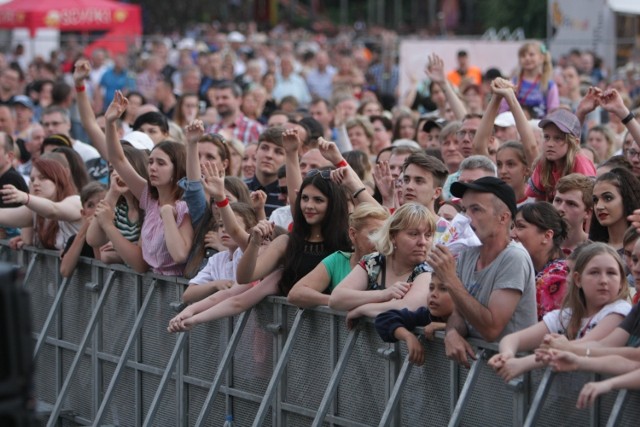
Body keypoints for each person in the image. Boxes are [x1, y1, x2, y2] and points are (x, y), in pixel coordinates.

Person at [167, 169, 351, 332]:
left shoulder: (348, 242)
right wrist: (192, 317)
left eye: (318, 200)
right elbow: (243, 283)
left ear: (334, 203)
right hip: (297, 341)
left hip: (342, 336)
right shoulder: (287, 243)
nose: (309, 206)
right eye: (304, 198)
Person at [428, 177, 537, 367]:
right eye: (464, 210)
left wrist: (450, 280)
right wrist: (452, 333)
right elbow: (458, 314)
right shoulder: (469, 251)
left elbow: (491, 329)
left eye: (476, 209)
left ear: (503, 218)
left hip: (512, 381)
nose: (466, 218)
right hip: (480, 377)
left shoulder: (514, 258)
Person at [488, 242, 631, 382]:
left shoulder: (620, 310)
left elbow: (580, 346)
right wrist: (507, 355)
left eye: (611, 273)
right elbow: (514, 339)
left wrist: (523, 364)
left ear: (621, 282)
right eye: (594, 272)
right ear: (578, 279)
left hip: (602, 402)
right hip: (566, 402)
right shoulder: (567, 315)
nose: (604, 280)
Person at [105, 91, 193, 276]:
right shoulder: (150, 198)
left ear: (177, 170)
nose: (152, 167)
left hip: (175, 294)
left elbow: (179, 255)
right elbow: (118, 159)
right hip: (151, 289)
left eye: (161, 163)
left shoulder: (185, 206)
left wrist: (168, 215)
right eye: (150, 162)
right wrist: (110, 122)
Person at [329, 203, 436, 326]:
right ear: (393, 236)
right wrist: (383, 294)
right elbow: (336, 298)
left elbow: (408, 307)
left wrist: (362, 309)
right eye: (413, 234)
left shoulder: (428, 269)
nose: (422, 242)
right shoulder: (374, 262)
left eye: (428, 235)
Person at [287, 203, 389, 308]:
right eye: (374, 234)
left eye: (385, 235)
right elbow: (296, 293)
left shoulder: (392, 262)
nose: (381, 241)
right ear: (353, 234)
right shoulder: (339, 260)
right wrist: (336, 300)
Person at [0, 158, 81, 251]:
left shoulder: (75, 201)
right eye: (32, 179)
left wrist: (26, 197)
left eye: (42, 178)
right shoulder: (35, 210)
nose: (35, 183)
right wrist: (30, 197)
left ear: (58, 180)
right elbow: (26, 240)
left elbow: (53, 210)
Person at [374, 273, 454, 365]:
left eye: (443, 289)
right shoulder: (426, 315)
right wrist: (408, 337)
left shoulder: (470, 317)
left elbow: (472, 327)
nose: (433, 294)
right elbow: (384, 319)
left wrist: (445, 326)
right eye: (431, 288)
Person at [511, 202, 570, 320]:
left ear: (547, 236)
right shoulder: (527, 267)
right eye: (511, 227)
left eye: (520, 226)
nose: (512, 234)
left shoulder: (558, 276)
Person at [526, 108, 596, 202]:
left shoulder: (580, 162)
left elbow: (591, 203)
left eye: (558, 138)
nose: (550, 143)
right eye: (547, 137)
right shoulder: (543, 162)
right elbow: (539, 201)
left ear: (574, 142)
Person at [501, 41, 559, 119]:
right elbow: (503, 109)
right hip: (515, 125)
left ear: (542, 58)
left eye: (531, 55)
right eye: (523, 56)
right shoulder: (513, 83)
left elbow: (553, 111)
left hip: (540, 127)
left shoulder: (549, 85)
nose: (527, 58)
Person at [59, 182, 106, 278]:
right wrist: (84, 231)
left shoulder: (115, 236)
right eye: (90, 205)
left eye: (101, 203)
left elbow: (103, 269)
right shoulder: (76, 239)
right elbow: (65, 271)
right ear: (83, 213)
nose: (97, 208)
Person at [589, 168, 640, 252]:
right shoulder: (590, 248)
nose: (599, 206)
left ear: (626, 199)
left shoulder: (637, 246)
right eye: (595, 200)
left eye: (608, 198)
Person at [207, 81, 263, 145]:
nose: (220, 102)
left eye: (225, 97)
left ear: (239, 100)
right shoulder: (211, 130)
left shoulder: (254, 129)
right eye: (217, 98)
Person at [552, 173, 593, 254]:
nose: (561, 208)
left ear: (587, 213)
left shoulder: (595, 251)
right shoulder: (540, 246)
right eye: (558, 200)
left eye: (571, 204)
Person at [497, 142, 533, 207]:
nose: (503, 171)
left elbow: (532, 148)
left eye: (510, 164)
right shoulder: (492, 201)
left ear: (526, 170)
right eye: (499, 164)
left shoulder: (537, 200)